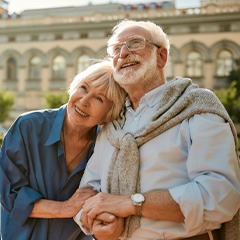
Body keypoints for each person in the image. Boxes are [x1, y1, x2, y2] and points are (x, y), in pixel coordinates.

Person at [74, 19, 240, 240]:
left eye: (134, 44)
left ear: (161, 57)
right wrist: (99, 224)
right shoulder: (111, 124)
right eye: (115, 49)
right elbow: (88, 191)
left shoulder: (197, 107)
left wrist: (131, 204)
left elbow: (220, 196)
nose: (123, 53)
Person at [0, 60, 126, 240]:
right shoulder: (27, 127)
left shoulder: (106, 146)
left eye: (99, 98)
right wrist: (65, 208)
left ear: (110, 113)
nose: (84, 101)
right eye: (83, 88)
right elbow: (10, 195)